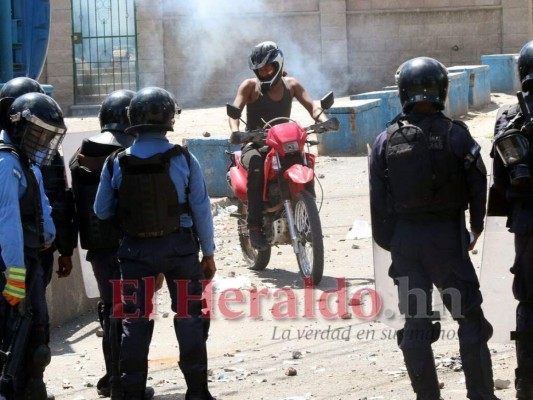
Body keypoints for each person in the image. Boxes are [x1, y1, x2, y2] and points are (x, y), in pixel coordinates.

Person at [369, 57, 499, 400]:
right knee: (469, 318)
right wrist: (475, 228)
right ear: (442, 90)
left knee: (415, 327)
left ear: (402, 93)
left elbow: (377, 204)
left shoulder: (384, 141)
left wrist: (395, 244)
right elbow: (478, 180)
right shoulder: (457, 134)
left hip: (407, 244)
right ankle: (481, 395)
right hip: (448, 241)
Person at [94, 87, 216, 400]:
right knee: (189, 316)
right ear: (168, 120)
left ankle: (132, 392)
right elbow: (201, 208)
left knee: (134, 322)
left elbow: (101, 210)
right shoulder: (184, 158)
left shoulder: (115, 163)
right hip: (181, 252)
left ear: (132, 121)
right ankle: (198, 392)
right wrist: (209, 253)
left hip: (134, 254)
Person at [69, 89, 154, 399]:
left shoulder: (80, 153)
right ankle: (129, 384)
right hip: (132, 249)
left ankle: (112, 378)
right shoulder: (135, 153)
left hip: (98, 251)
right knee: (135, 315)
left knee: (110, 310)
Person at [228, 40, 327, 250]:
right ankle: (254, 226)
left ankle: (309, 218)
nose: (264, 73)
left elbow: (313, 107)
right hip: (256, 144)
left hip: (285, 143)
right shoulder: (249, 87)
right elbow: (235, 108)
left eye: (267, 68)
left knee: (305, 163)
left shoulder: (291, 85)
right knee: (256, 166)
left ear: (278, 64)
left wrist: (323, 120)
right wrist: (236, 131)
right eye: (260, 70)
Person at [0, 92, 67, 399]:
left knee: (36, 332)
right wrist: (14, 275)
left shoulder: (23, 161)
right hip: (14, 267)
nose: (42, 142)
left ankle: (32, 389)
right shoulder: (6, 162)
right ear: (18, 126)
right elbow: (8, 222)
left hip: (30, 262)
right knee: (15, 337)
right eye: (38, 133)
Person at [0, 77, 76, 289]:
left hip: (38, 246)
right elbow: (8, 218)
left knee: (33, 312)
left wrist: (65, 249)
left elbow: (58, 203)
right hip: (22, 250)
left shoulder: (40, 154)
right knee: (24, 312)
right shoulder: (8, 161)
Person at [491, 39, 533, 399]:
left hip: (528, 224)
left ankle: (527, 384)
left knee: (530, 304)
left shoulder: (510, 117)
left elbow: (501, 183)